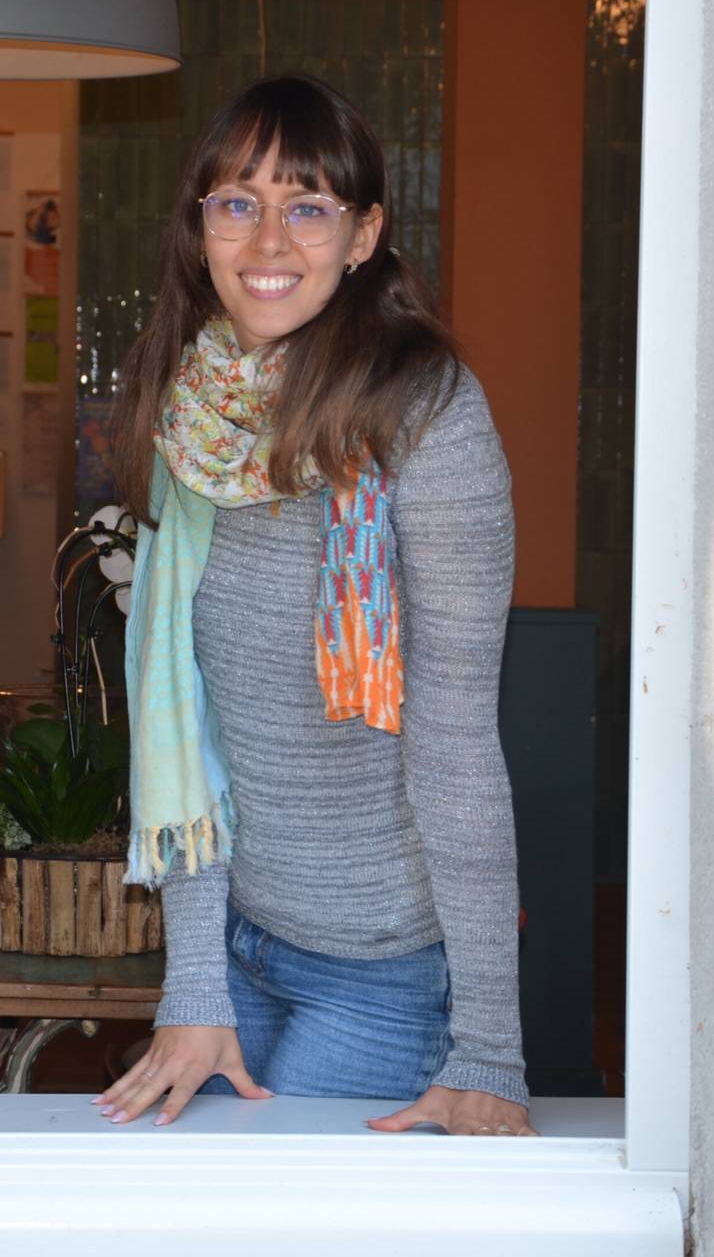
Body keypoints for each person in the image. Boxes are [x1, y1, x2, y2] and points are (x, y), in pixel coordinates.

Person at [93, 75, 534, 1137]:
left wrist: (491, 1048)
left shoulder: (425, 412)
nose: (268, 238)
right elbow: (184, 725)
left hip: (380, 972)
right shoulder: (187, 409)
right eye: (238, 202)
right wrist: (195, 980)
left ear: (364, 231)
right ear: (200, 228)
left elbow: (460, 743)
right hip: (237, 939)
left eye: (308, 206)